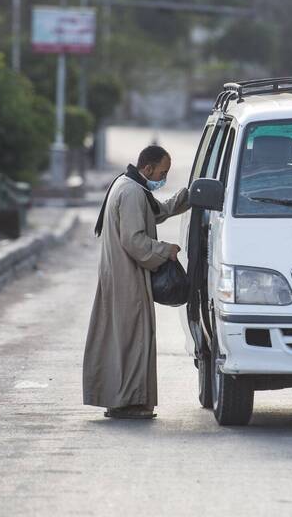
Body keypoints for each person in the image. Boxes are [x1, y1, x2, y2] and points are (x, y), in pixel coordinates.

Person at [83, 145, 190, 419]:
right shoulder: (131, 192)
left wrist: (184, 199)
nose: (163, 178)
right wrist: (166, 250)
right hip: (126, 276)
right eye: (162, 173)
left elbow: (154, 212)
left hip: (119, 273)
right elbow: (134, 240)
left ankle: (121, 399)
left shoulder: (127, 184)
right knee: (132, 339)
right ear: (148, 169)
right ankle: (128, 403)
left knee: (122, 339)